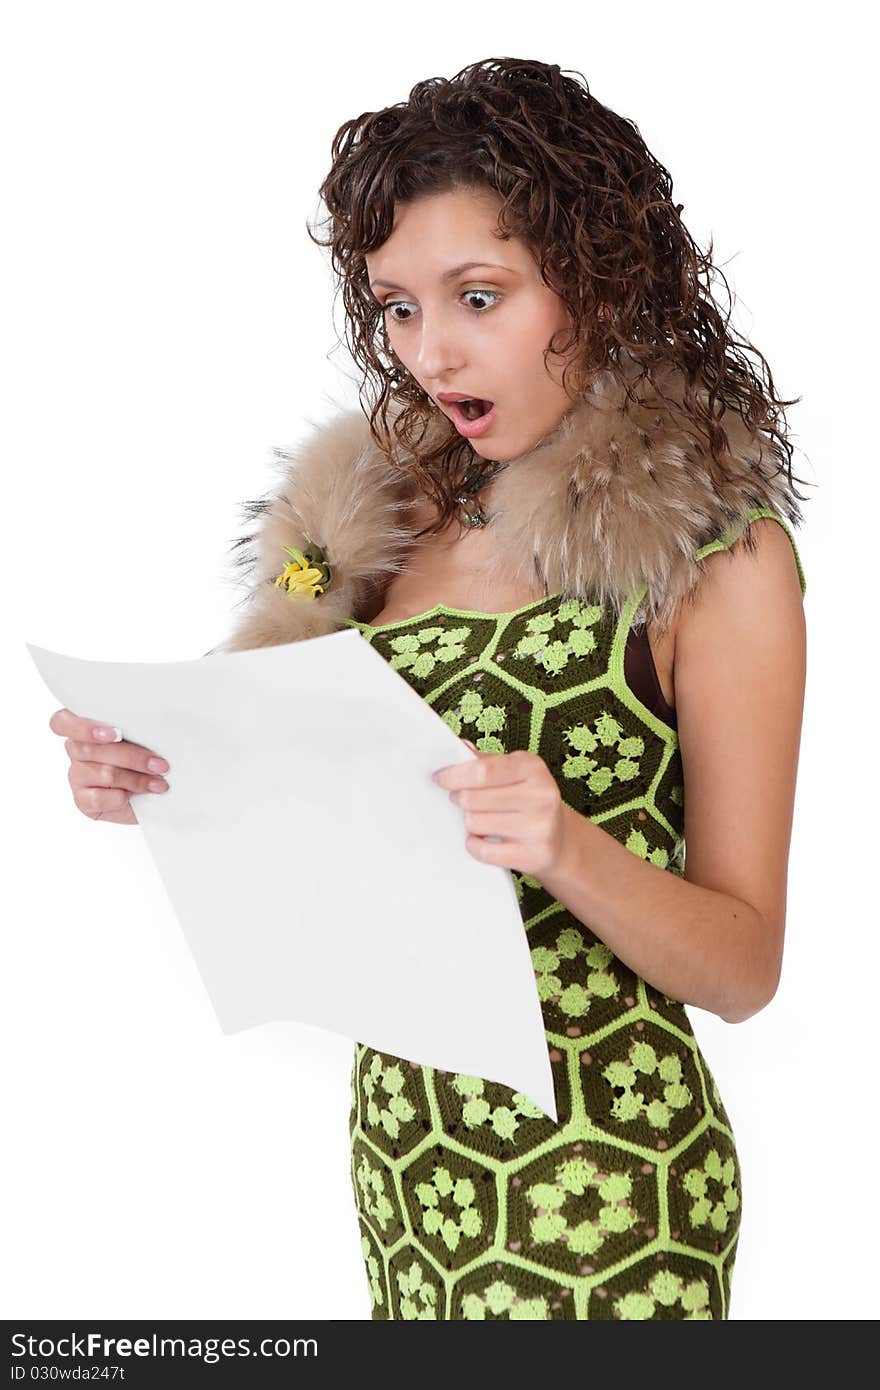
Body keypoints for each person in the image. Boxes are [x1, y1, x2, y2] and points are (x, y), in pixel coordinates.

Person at [49, 58, 811, 1320]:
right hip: (410, 1165)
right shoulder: (381, 524)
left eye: (477, 296)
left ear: (600, 278)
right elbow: (312, 793)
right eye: (397, 308)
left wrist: (565, 846)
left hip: (604, 1188)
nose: (431, 350)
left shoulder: (714, 554)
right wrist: (160, 780)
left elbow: (744, 967)